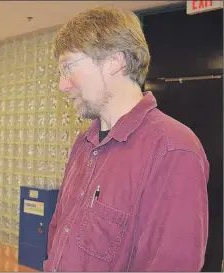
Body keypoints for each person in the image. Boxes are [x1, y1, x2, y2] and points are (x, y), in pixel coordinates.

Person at [44, 7, 209, 272]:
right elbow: (58, 236)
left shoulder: (174, 149)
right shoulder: (83, 145)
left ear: (114, 61)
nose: (62, 85)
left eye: (69, 67)